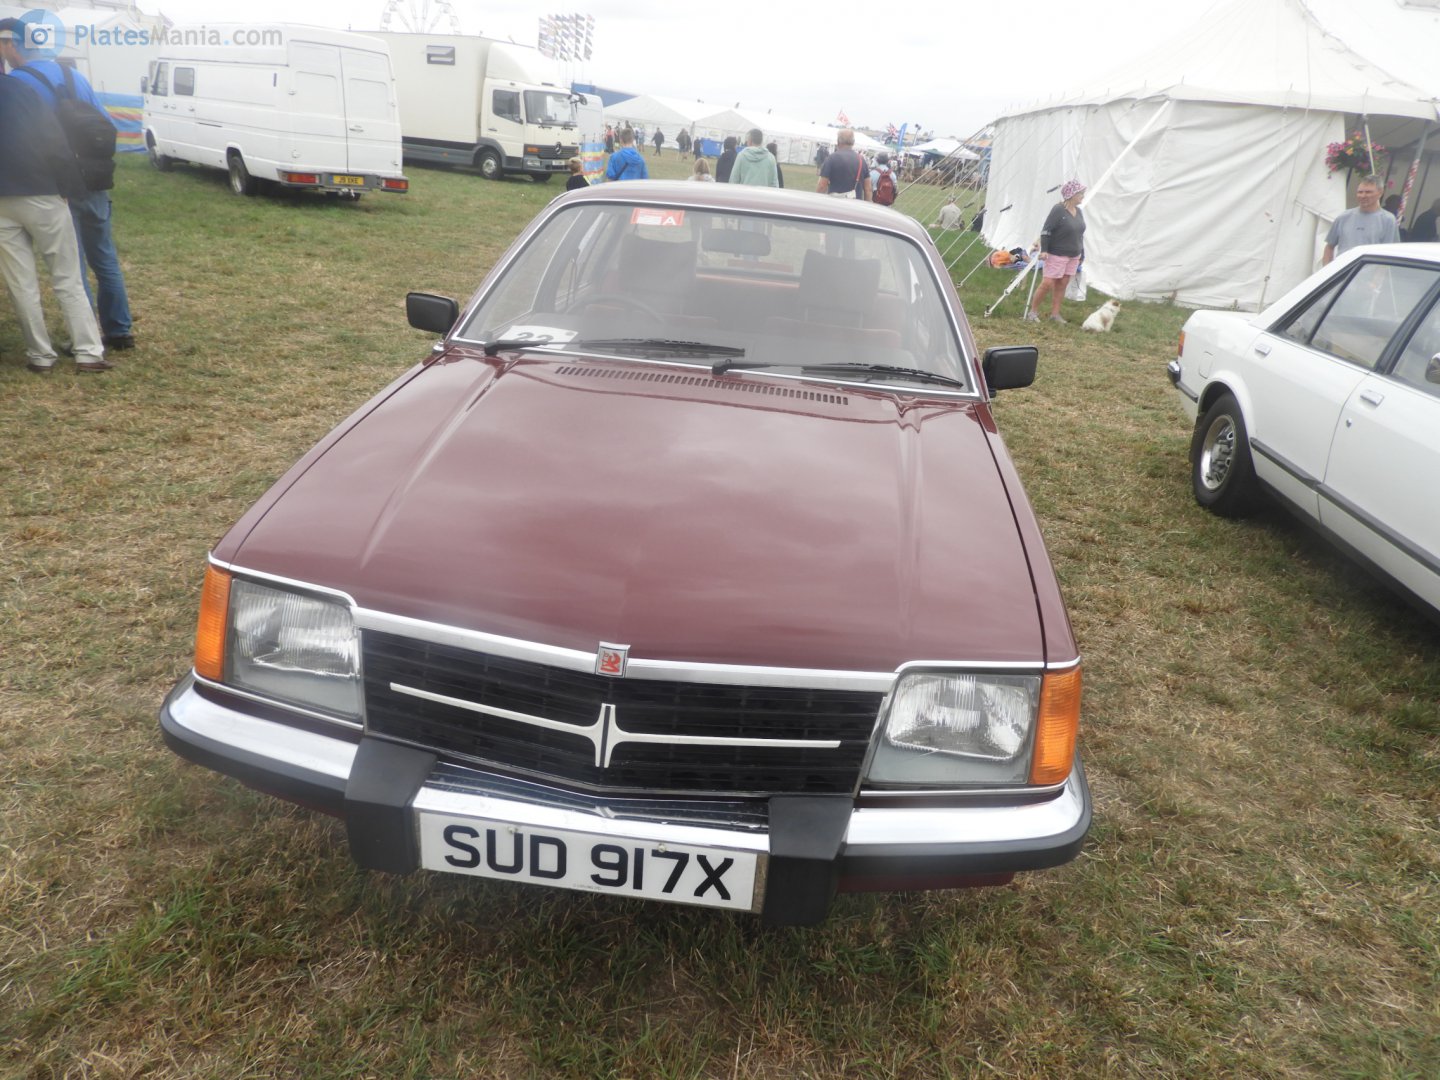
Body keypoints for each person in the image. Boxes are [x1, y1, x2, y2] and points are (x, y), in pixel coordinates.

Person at [1, 18, 135, 351]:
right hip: (95, 177)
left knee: (69, 265)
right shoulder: (73, 75)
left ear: (11, 44)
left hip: (56, 183)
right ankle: (119, 331)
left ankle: (85, 341)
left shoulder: (17, 83)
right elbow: (101, 121)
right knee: (104, 255)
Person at [0, 73, 108, 372]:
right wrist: (68, 188)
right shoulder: (21, 90)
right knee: (67, 275)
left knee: (20, 283)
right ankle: (88, 351)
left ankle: (40, 355)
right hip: (41, 191)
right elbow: (52, 138)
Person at [1026, 179, 1087, 323]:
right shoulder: (1058, 210)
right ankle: (1033, 312)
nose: (1083, 196)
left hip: (1073, 255)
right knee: (1047, 283)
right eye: (1081, 194)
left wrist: (1081, 253)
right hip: (1057, 253)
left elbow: (1080, 233)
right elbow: (1046, 231)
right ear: (1071, 195)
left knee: (1063, 283)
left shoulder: (1079, 212)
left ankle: (1055, 314)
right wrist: (1045, 250)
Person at [1323, 176, 1399, 264]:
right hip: (1342, 273)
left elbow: (1389, 255)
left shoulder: (1388, 220)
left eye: (1368, 192)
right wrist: (1326, 270)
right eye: (1360, 192)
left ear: (1380, 192)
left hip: (1368, 275)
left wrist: (1378, 277)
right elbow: (1329, 247)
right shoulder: (1343, 217)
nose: (1363, 196)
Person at [816, 128, 869, 200]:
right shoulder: (862, 160)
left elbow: (822, 186)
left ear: (838, 142)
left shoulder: (831, 159)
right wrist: (868, 205)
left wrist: (817, 201)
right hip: (856, 206)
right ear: (853, 142)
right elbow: (868, 189)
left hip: (835, 204)